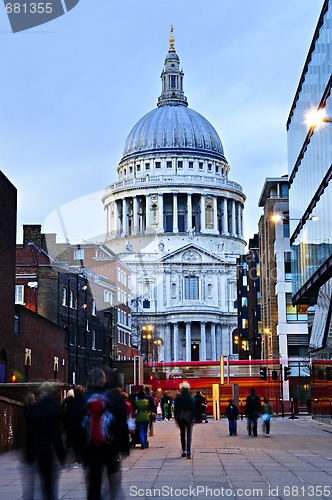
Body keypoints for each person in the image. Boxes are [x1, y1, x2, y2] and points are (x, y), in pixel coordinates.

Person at [82, 368, 129, 500]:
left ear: (90, 380)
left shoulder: (84, 399)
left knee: (93, 485)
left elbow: (75, 425)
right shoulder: (114, 398)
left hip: (91, 449)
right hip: (110, 447)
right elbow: (122, 424)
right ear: (104, 380)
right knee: (113, 483)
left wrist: (78, 451)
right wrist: (125, 447)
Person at [24, 382, 66, 500]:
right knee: (49, 487)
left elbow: (30, 433)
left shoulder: (33, 409)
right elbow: (56, 435)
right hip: (48, 452)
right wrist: (61, 455)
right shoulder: (53, 408)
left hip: (35, 450)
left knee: (32, 488)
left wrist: (28, 453)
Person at [174, 381, 196, 459]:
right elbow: (194, 408)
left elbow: (176, 409)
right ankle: (189, 451)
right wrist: (194, 417)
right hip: (189, 417)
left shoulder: (178, 398)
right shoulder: (191, 398)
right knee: (189, 434)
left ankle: (184, 451)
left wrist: (176, 418)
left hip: (181, 417)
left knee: (182, 434)